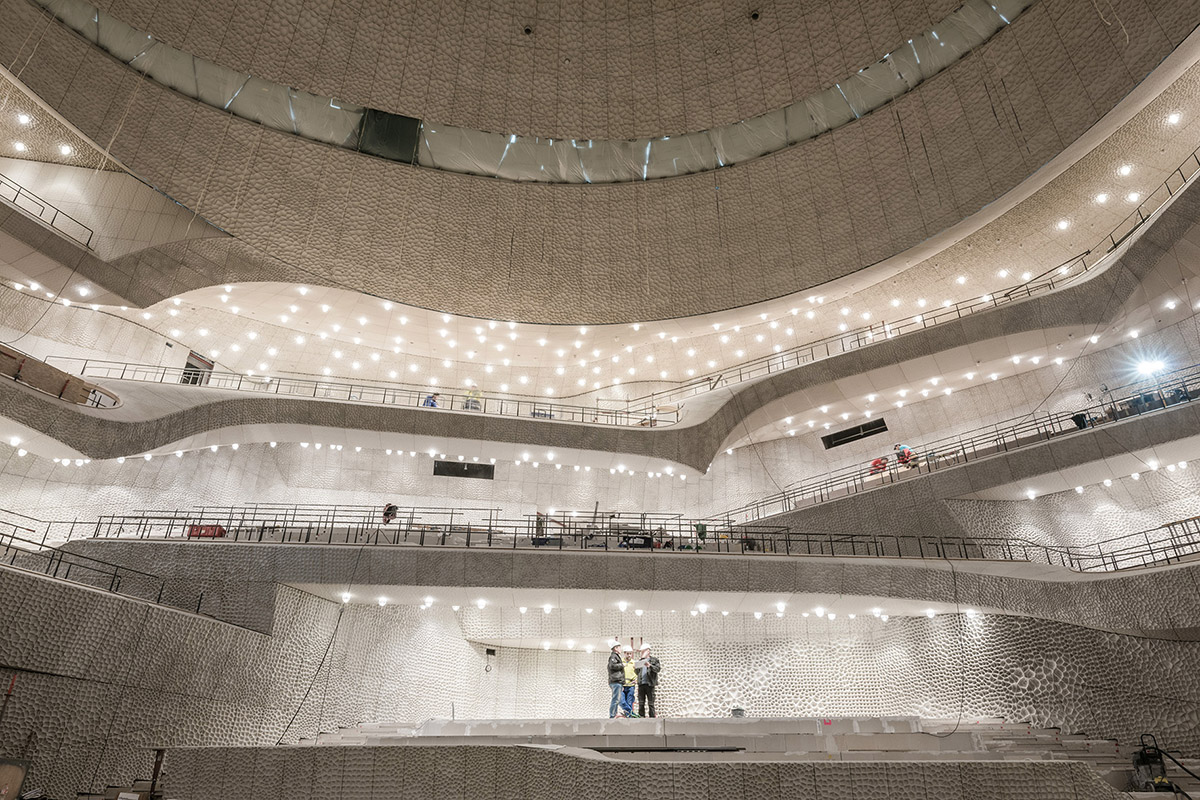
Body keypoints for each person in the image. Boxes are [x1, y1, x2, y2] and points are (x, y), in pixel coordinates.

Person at [635, 644, 662, 718]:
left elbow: (658, 669)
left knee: (651, 703)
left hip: (650, 684)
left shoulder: (654, 660)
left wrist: (650, 665)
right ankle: (641, 718)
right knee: (641, 703)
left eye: (643, 651)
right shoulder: (640, 661)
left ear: (648, 651)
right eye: (642, 651)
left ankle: (652, 718)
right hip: (641, 684)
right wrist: (637, 665)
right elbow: (637, 672)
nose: (642, 652)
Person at [618, 646, 638, 717]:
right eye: (628, 654)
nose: (629, 655)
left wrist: (636, 680)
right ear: (624, 653)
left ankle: (629, 717)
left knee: (629, 702)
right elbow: (617, 673)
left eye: (630, 654)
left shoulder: (634, 663)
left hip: (631, 686)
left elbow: (638, 673)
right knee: (621, 701)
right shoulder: (620, 662)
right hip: (622, 685)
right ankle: (631, 714)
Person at [607, 642, 625, 718]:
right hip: (616, 681)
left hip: (617, 681)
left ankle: (615, 713)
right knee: (615, 699)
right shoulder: (613, 656)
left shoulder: (615, 656)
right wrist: (622, 665)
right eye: (619, 647)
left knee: (617, 699)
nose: (621, 649)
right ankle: (612, 715)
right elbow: (612, 666)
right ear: (615, 648)